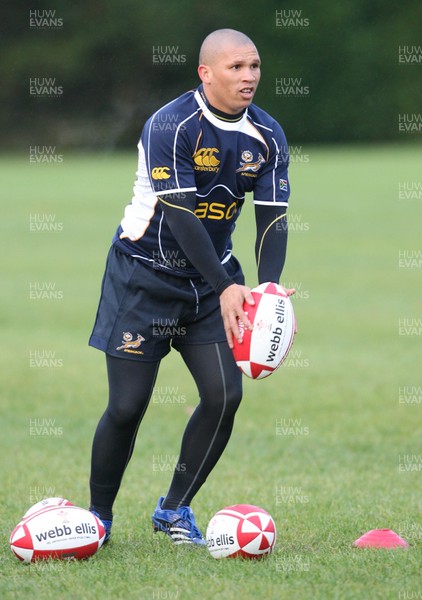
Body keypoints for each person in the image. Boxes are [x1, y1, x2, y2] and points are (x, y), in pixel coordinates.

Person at [88, 28, 294, 546]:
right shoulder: (170, 124)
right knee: (127, 406)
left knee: (225, 395)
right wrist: (227, 284)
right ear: (205, 73)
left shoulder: (268, 134)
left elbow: (272, 219)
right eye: (236, 67)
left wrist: (266, 291)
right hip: (144, 275)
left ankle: (174, 510)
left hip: (212, 287)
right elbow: (179, 214)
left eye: (255, 67)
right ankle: (98, 518)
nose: (249, 77)